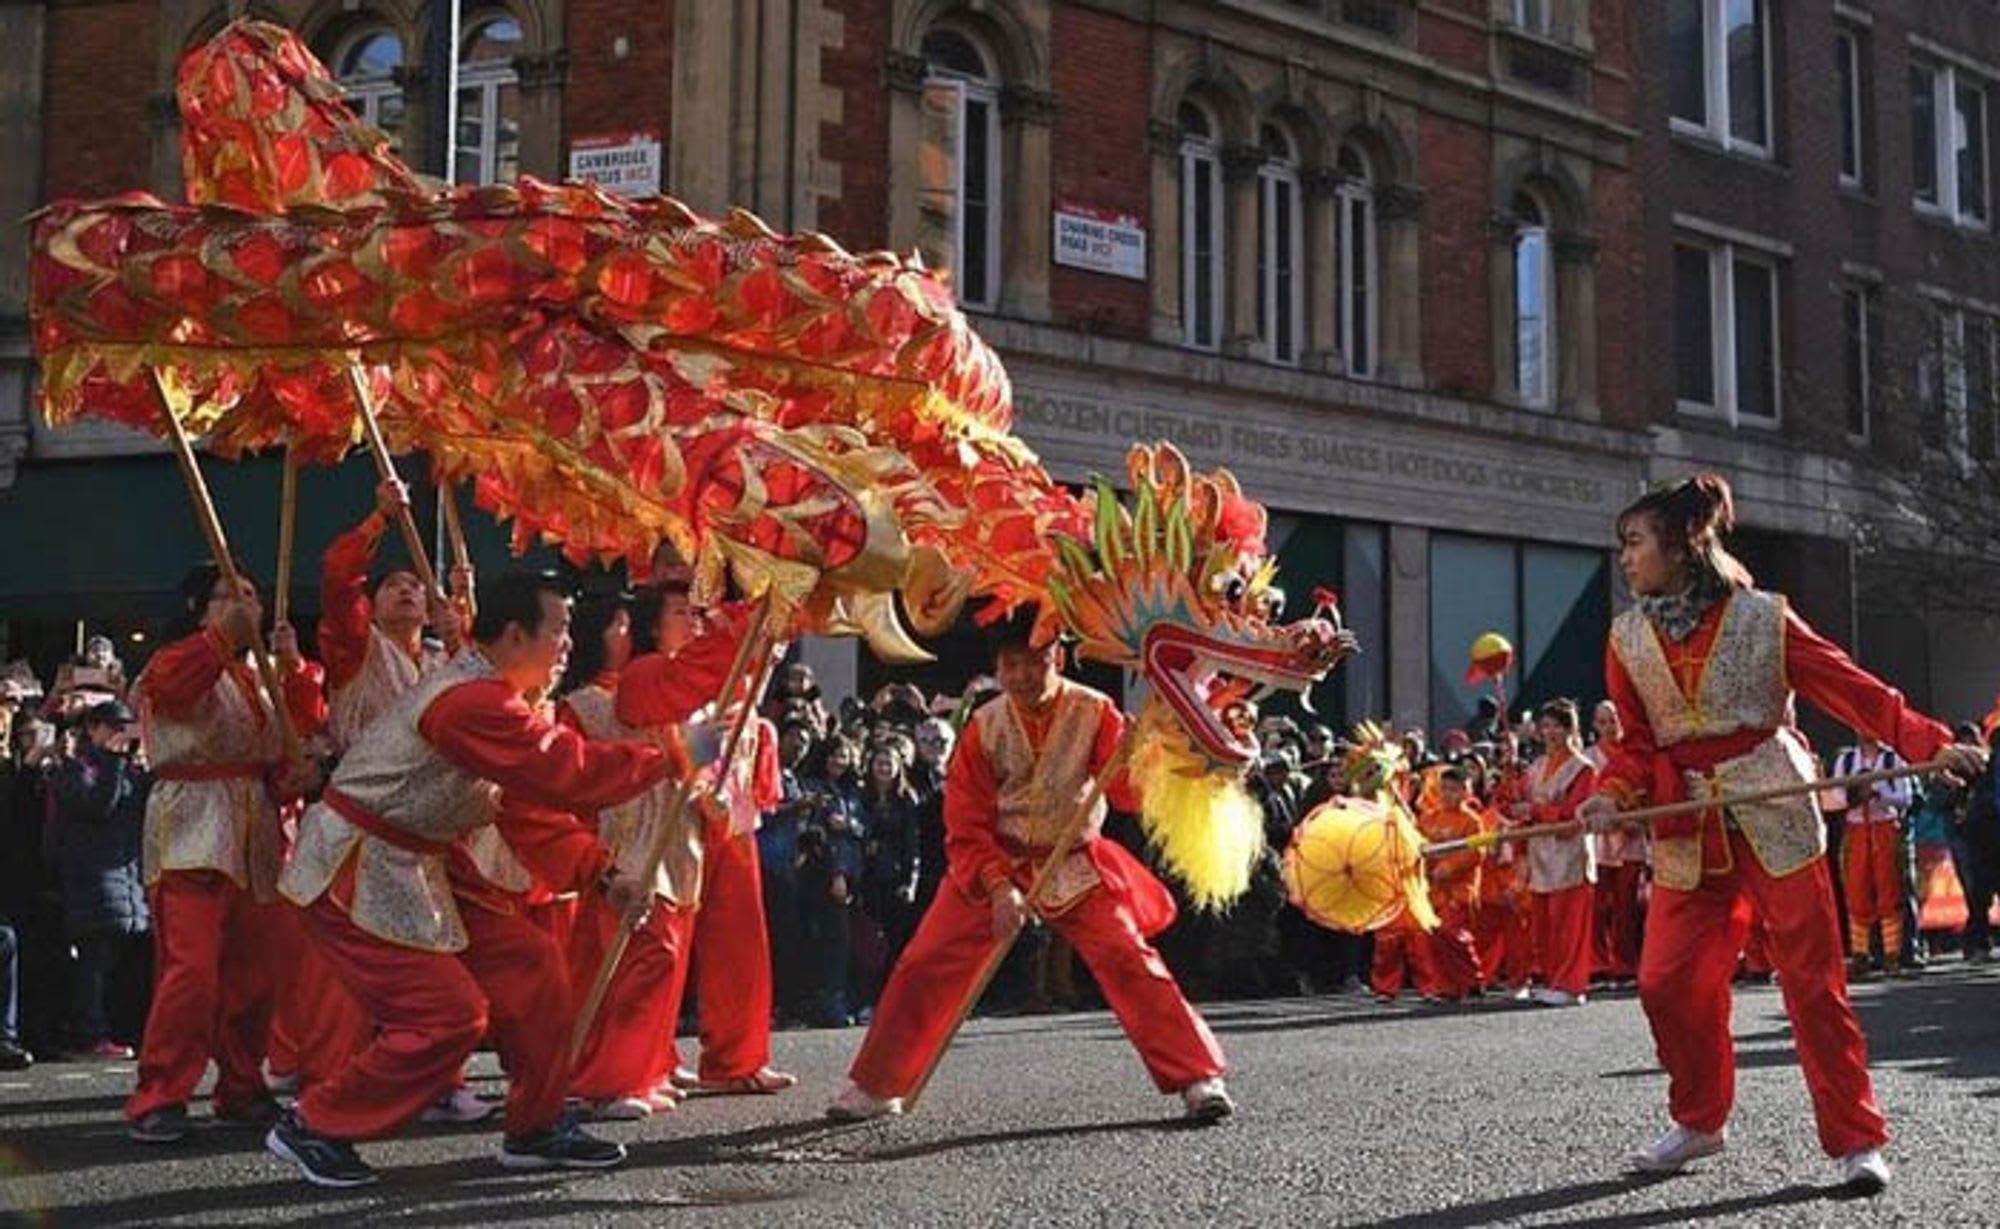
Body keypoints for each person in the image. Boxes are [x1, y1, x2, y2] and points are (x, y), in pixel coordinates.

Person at [1578, 474, 1985, 1195]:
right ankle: (1700, 1117)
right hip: (1686, 822)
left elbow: (1849, 685)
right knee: (1665, 979)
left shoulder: (1764, 617)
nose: (1625, 558)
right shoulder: (1626, 637)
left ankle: (1857, 1139)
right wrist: (1610, 796)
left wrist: (1928, 742)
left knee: (1812, 982)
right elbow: (1636, 744)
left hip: (1774, 803)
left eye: (1635, 542)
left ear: (1680, 545)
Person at [264, 571, 671, 1188]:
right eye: (559, 630)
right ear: (513, 634)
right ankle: (314, 1123)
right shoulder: (473, 701)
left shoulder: (497, 696)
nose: (568, 644)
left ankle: (536, 1126)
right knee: (447, 1015)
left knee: (534, 965)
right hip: (360, 864)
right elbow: (568, 772)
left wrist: (599, 872)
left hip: (420, 864)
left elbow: (528, 807)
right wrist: (677, 753)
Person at [829, 610, 1231, 1123]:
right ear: (998, 665)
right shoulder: (983, 726)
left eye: (1033, 663)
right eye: (1010, 664)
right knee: (925, 962)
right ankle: (876, 1085)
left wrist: (1142, 753)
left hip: (1073, 859)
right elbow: (965, 822)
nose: (1020, 676)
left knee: (1129, 957)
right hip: (996, 859)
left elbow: (1128, 796)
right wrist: (998, 886)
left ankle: (1197, 1076)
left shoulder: (1096, 711)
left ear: (1056, 658)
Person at [126, 564, 325, 1144]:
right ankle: (160, 1091)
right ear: (200, 608)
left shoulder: (257, 676)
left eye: (252, 597)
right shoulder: (173, 659)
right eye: (231, 596)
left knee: (256, 973)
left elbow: (285, 753)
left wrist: (295, 769)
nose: (247, 606)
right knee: (191, 971)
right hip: (192, 823)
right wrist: (219, 639)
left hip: (256, 830)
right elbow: (176, 688)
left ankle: (242, 1084)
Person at [51, 700, 150, 1058]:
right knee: (94, 960)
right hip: (93, 874)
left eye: (124, 727)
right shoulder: (79, 768)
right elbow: (96, 807)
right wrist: (113, 763)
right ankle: (89, 1033)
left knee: (118, 961)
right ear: (93, 729)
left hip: (127, 875)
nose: (119, 735)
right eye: (111, 727)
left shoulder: (130, 770)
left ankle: (117, 1029)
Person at [1509, 701, 1596, 1007]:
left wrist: (1534, 809)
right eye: (1545, 726)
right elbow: (1514, 800)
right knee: (1544, 924)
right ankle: (1552, 979)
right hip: (1540, 852)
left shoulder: (1583, 768)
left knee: (1569, 923)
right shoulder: (1535, 768)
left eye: (1557, 726)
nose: (1551, 733)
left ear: (1571, 729)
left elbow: (1573, 815)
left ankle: (1571, 984)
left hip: (1570, 852)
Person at [1826, 736, 1913, 976]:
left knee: (1890, 891)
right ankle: (1860, 955)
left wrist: (1877, 794)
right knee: (1856, 892)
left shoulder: (1894, 759)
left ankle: (1892, 957)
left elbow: (1905, 798)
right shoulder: (1846, 761)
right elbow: (1830, 801)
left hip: (1884, 828)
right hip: (1856, 830)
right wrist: (1853, 796)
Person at [1416, 766, 1486, 1002]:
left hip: (1459, 890)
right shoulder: (1428, 818)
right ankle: (1446, 987)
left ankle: (1473, 978)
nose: (1449, 794)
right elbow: (1417, 847)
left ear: (1467, 792)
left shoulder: (1472, 821)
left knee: (1453, 933)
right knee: (1434, 938)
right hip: (1433, 890)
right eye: (1444, 789)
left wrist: (1451, 866)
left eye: (1455, 790)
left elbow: (1477, 852)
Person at [1588, 699, 1645, 984]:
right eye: (1603, 721)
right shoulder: (1589, 758)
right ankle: (1597, 962)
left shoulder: (1636, 755)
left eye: (1614, 721)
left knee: (1626, 906)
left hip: (1631, 839)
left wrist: (1638, 820)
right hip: (1598, 841)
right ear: (1594, 725)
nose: (1609, 727)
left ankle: (1625, 964)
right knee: (1597, 907)